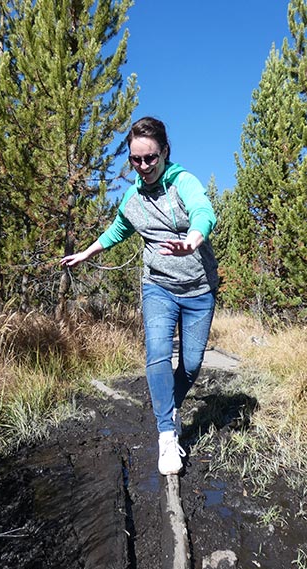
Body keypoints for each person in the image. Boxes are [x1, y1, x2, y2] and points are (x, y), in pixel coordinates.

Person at [60, 116, 218, 475]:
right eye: (136, 159)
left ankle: (169, 406)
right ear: (130, 159)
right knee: (158, 354)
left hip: (198, 289)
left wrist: (192, 240)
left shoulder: (183, 182)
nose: (144, 166)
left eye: (150, 158)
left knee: (191, 365)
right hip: (158, 286)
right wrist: (87, 252)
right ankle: (166, 434)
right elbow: (118, 229)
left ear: (164, 152)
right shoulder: (133, 198)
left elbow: (203, 211)